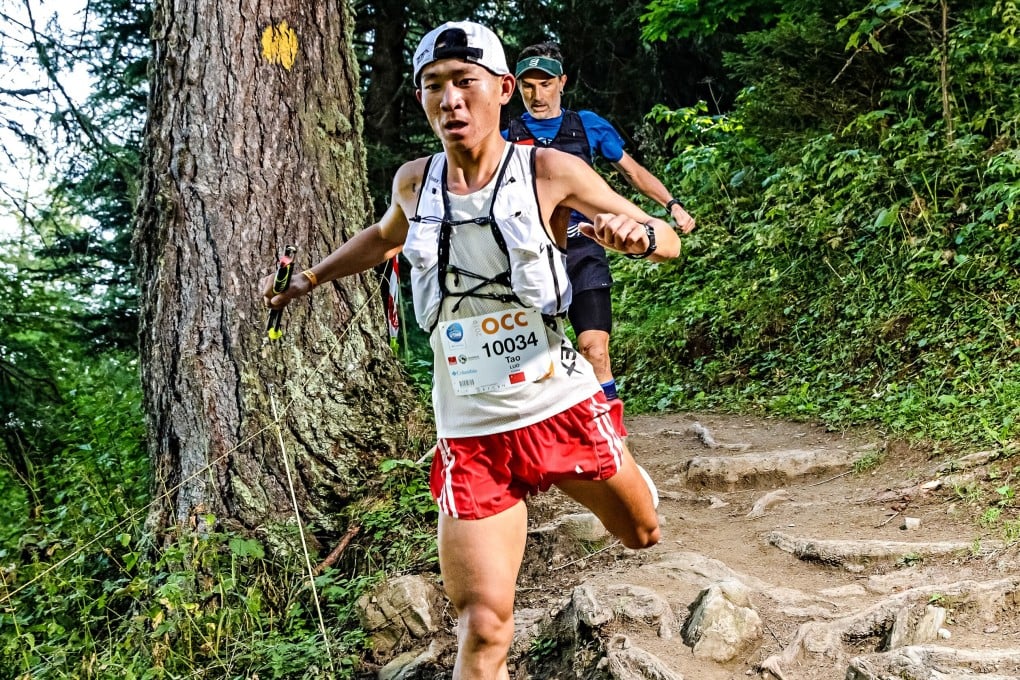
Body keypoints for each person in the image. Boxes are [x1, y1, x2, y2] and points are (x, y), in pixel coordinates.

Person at [262, 21, 682, 679]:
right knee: (483, 628)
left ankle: (620, 462)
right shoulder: (415, 183)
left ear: (503, 89)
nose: (451, 99)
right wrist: (310, 279)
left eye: (466, 82)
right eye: (435, 86)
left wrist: (639, 236)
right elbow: (384, 236)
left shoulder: (548, 171)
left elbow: (664, 235)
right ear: (422, 98)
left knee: (641, 532)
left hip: (559, 406)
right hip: (470, 430)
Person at [505, 42, 696, 416]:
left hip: (582, 250)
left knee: (594, 349)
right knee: (532, 360)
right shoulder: (504, 133)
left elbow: (632, 172)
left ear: (562, 82)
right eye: (528, 85)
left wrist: (671, 205)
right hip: (528, 256)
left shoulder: (587, 125)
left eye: (545, 84)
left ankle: (610, 433)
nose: (537, 95)